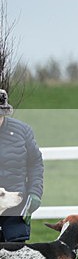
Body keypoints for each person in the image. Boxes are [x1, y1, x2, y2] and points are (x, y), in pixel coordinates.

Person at [0, 88, 44, 242]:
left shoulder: (22, 131)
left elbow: (35, 163)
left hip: (16, 204)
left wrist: (35, 193)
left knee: (15, 255)